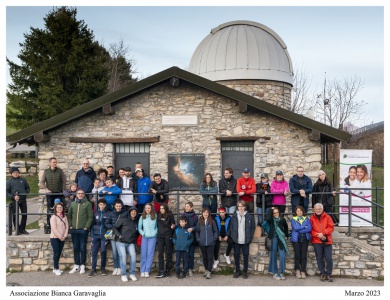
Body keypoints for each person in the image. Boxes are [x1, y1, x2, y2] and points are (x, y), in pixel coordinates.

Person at [67, 189, 93, 274]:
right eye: (79, 193)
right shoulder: (73, 204)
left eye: (82, 193)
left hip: (83, 229)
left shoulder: (88, 204)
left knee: (82, 248)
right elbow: (69, 215)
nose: (80, 195)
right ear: (76, 194)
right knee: (76, 248)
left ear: (84, 194)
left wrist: (86, 227)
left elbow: (90, 216)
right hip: (74, 229)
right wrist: (70, 225)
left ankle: (82, 265)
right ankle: (76, 264)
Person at [39, 157, 66, 232]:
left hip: (59, 193)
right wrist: (46, 189)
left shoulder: (60, 171)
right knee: (50, 210)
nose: (55, 163)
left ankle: (62, 224)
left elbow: (64, 181)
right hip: (50, 194)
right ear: (50, 163)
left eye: (56, 162)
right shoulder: (46, 171)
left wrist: (63, 190)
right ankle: (50, 225)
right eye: (53, 162)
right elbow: (42, 182)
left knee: (62, 208)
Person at [113, 206, 139, 282]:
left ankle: (132, 274)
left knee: (133, 256)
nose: (133, 213)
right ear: (129, 212)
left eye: (135, 212)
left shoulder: (136, 221)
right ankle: (123, 274)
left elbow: (137, 232)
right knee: (123, 256)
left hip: (130, 242)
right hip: (121, 242)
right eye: (132, 211)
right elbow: (115, 227)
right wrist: (119, 235)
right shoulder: (124, 219)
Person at [230, 200, 255, 279]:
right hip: (236, 240)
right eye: (239, 206)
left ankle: (245, 272)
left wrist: (250, 236)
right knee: (236, 256)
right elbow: (231, 227)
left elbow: (252, 227)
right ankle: (237, 271)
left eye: (242, 206)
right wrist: (233, 236)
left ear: (245, 207)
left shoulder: (249, 216)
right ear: (238, 207)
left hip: (245, 240)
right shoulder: (234, 216)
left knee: (245, 256)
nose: (240, 208)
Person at [310, 203, 335, 282]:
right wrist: (318, 235)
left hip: (327, 240)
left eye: (319, 209)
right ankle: (322, 273)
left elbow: (331, 228)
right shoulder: (311, 218)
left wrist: (323, 233)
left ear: (322, 209)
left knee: (328, 258)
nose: (318, 210)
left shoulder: (328, 217)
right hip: (317, 241)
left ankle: (329, 274)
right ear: (314, 210)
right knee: (319, 258)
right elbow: (310, 230)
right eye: (316, 209)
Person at [106, 199, 128, 276]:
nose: (118, 207)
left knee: (121, 253)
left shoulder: (125, 213)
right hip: (113, 235)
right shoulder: (111, 213)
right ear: (114, 206)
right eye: (117, 206)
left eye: (119, 206)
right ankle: (116, 267)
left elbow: (127, 223)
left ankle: (121, 267)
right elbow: (107, 223)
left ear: (122, 206)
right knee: (115, 252)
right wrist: (113, 228)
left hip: (121, 234)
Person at [266, 206, 289, 280]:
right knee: (273, 255)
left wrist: (286, 235)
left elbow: (286, 227)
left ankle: (281, 272)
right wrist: (270, 209)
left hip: (281, 238)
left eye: (277, 212)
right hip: (273, 238)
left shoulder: (283, 220)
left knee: (282, 255)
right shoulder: (271, 220)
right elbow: (267, 218)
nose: (276, 214)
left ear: (279, 212)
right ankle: (275, 273)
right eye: (274, 213)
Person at [89, 198, 110, 277]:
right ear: (98, 205)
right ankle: (93, 269)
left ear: (105, 205)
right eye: (100, 205)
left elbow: (109, 225)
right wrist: (92, 233)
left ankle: (102, 268)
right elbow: (92, 223)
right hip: (95, 235)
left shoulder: (108, 213)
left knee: (103, 251)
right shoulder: (95, 213)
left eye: (103, 205)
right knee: (94, 252)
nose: (102, 206)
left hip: (104, 235)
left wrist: (107, 234)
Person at [6, 167, 31, 235]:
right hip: (14, 201)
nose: (16, 173)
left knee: (24, 214)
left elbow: (28, 188)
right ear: (12, 174)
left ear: (18, 173)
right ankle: (17, 229)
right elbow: (6, 192)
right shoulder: (9, 181)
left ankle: (22, 229)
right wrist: (13, 197)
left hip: (23, 200)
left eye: (17, 172)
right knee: (15, 215)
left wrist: (25, 194)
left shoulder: (23, 180)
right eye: (14, 172)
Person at [196, 207, 218, 279]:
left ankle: (209, 271)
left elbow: (215, 231)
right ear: (202, 213)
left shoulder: (212, 221)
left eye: (207, 212)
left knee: (210, 257)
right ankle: (206, 270)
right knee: (204, 258)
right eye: (204, 212)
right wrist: (198, 239)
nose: (205, 214)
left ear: (208, 213)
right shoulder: (200, 221)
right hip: (202, 243)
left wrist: (214, 239)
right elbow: (197, 231)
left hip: (211, 243)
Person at [290, 206, 311, 279]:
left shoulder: (307, 219)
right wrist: (304, 226)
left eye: (300, 211)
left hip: (305, 239)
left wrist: (301, 230)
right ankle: (297, 270)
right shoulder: (293, 219)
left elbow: (309, 228)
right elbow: (295, 228)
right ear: (296, 212)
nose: (299, 212)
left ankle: (303, 271)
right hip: (296, 239)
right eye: (297, 211)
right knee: (297, 255)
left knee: (304, 256)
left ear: (303, 211)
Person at [155, 203, 175, 278]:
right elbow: (157, 225)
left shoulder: (170, 215)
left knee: (168, 253)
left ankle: (168, 270)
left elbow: (173, 225)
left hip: (168, 235)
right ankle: (161, 271)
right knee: (160, 254)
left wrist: (171, 231)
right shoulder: (158, 215)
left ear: (166, 209)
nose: (161, 210)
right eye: (160, 208)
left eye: (163, 208)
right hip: (160, 236)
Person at [138, 203, 157, 278]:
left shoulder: (155, 216)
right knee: (143, 254)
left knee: (150, 254)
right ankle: (142, 270)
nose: (147, 209)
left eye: (149, 208)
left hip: (153, 237)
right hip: (145, 237)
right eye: (146, 208)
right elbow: (139, 227)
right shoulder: (142, 217)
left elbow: (157, 226)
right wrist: (143, 233)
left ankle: (147, 271)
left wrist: (156, 232)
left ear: (151, 208)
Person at [49, 202, 69, 275]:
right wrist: (60, 237)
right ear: (55, 209)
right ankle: (56, 268)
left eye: (61, 207)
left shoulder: (64, 216)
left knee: (59, 253)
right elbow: (54, 228)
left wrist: (65, 236)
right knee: (56, 253)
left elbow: (67, 226)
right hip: (55, 238)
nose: (59, 209)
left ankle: (55, 268)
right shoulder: (53, 217)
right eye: (58, 207)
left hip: (63, 237)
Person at [181, 201, 198, 277]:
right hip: (184, 237)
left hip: (192, 238)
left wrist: (192, 228)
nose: (186, 208)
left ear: (191, 207)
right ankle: (185, 269)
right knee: (185, 254)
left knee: (191, 254)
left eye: (188, 206)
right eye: (186, 206)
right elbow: (180, 224)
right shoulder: (183, 215)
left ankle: (190, 269)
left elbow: (197, 226)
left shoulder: (195, 216)